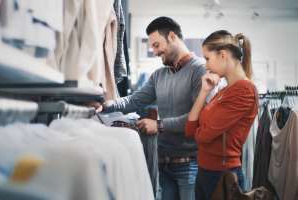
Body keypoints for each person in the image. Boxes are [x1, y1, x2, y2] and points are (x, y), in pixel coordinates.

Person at [93, 16, 206, 200]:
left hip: (190, 165)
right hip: (163, 163)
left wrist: (159, 125)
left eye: (156, 45)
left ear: (171, 36)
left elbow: (200, 117)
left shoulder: (200, 70)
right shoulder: (159, 75)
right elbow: (134, 101)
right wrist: (104, 105)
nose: (154, 51)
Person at [185, 30, 259, 200]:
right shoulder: (225, 91)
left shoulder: (244, 91)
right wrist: (204, 92)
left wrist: (201, 130)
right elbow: (190, 130)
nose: (206, 65)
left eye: (207, 58)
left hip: (222, 175)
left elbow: (203, 136)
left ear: (223, 55)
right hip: (206, 172)